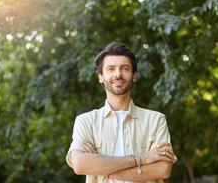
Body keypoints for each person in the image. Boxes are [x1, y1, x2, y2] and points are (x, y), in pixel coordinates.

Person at [66, 42, 177, 183]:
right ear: (100, 76)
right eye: (110, 69)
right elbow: (80, 165)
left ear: (134, 76)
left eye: (125, 68)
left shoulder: (155, 120)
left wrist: (103, 167)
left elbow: (162, 170)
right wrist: (143, 158)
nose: (118, 74)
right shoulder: (86, 121)